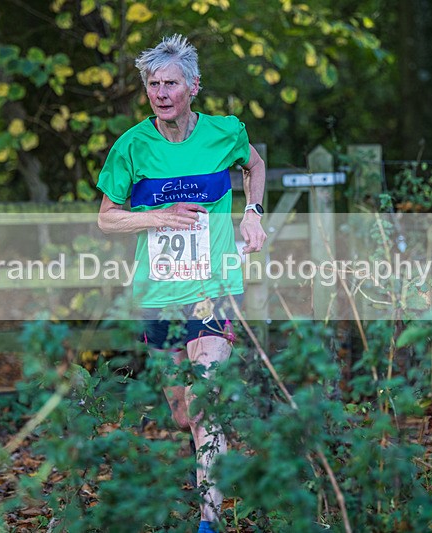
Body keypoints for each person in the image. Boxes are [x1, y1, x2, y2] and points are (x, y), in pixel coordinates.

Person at [96, 34, 266, 533]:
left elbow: (253, 164)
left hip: (212, 287)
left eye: (171, 82)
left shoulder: (224, 132)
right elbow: (107, 219)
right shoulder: (131, 146)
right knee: (182, 413)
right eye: (153, 84)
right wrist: (158, 217)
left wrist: (253, 214)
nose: (161, 92)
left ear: (193, 87)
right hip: (157, 293)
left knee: (207, 401)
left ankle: (208, 522)